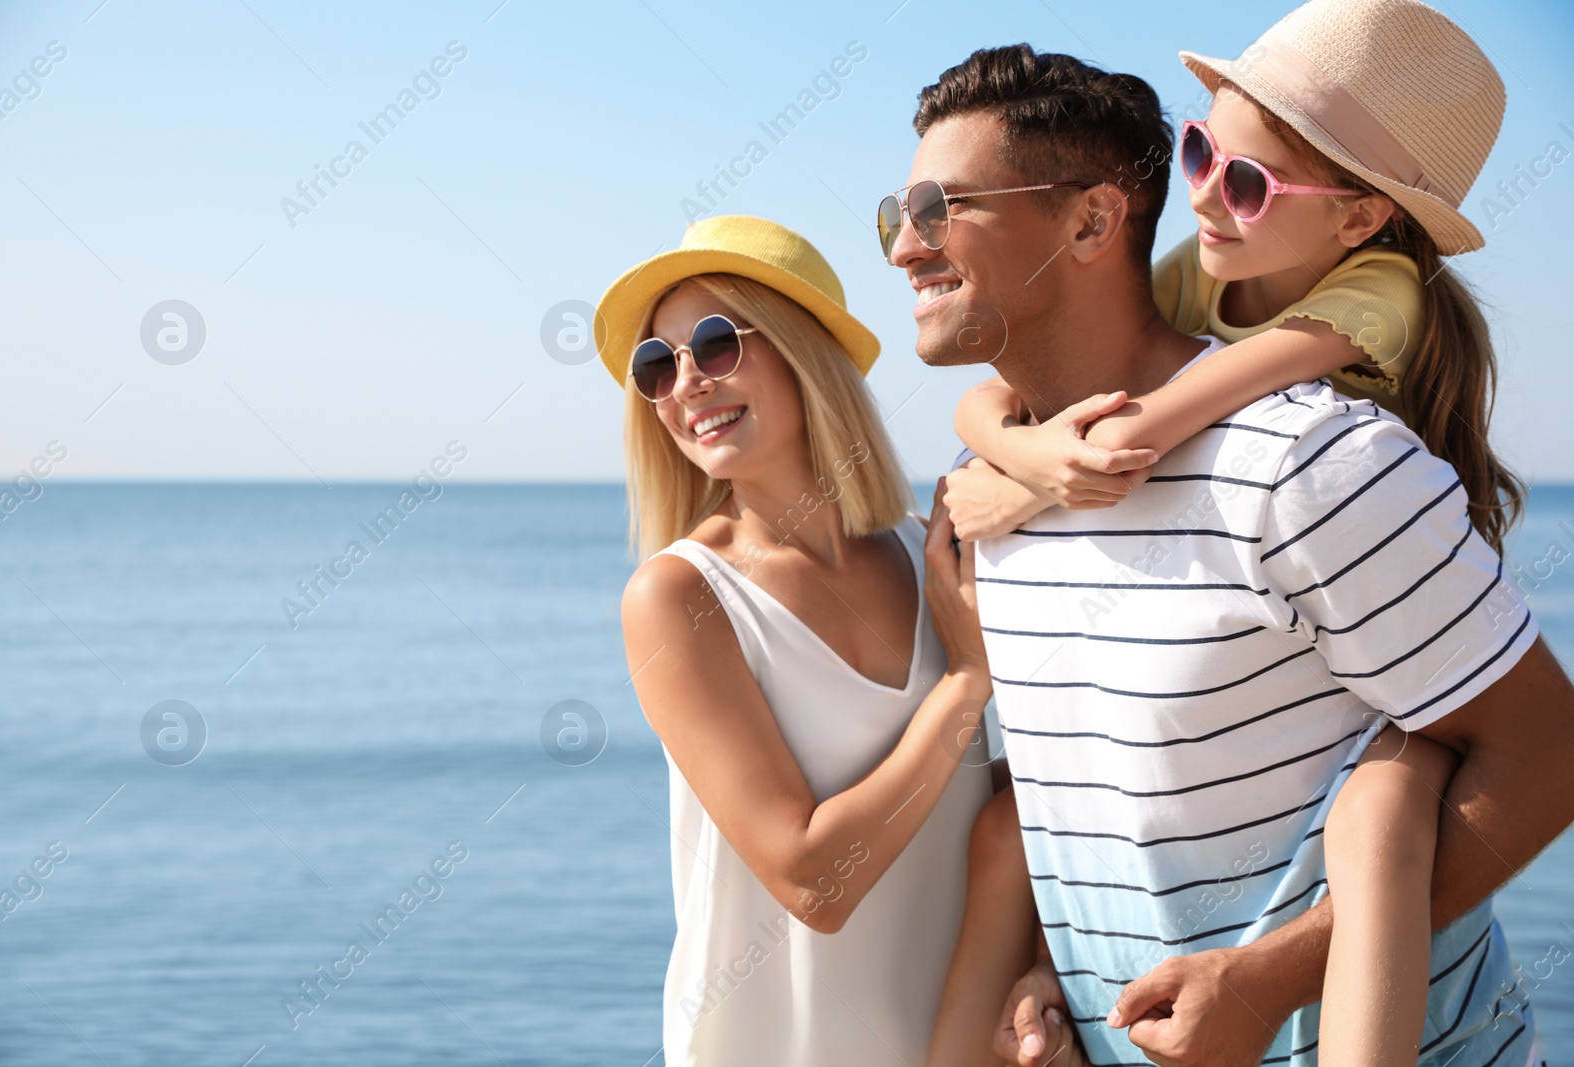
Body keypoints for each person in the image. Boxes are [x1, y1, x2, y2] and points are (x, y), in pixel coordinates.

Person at [883, 24, 1574, 1067]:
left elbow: (1550, 759)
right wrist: (1048, 968)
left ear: (1091, 222)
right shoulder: (1003, 496)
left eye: (944, 210)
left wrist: (1266, 980)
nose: (903, 244)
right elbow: (1081, 796)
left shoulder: (1307, 461)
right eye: (900, 211)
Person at [597, 214, 996, 1066]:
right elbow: (814, 880)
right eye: (657, 366)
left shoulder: (934, 554)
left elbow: (1010, 813)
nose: (685, 383)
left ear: (802, 349)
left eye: (713, 344)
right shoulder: (677, 598)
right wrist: (965, 682)